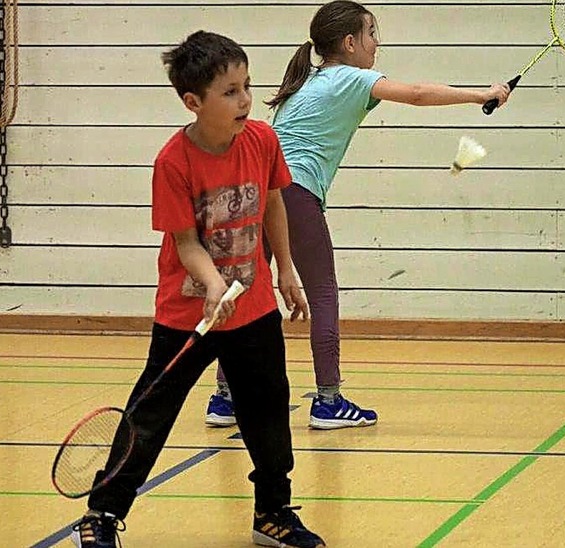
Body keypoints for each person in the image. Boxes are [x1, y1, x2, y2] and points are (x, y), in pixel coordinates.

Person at [71, 30, 325, 548]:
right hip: (189, 314)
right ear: (193, 102)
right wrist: (212, 282)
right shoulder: (173, 162)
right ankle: (101, 513)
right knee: (150, 414)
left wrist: (287, 270)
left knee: (269, 411)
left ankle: (273, 512)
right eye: (230, 91)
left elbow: (274, 203)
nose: (245, 99)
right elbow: (186, 243)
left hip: (252, 310)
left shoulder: (262, 140)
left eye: (247, 86)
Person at [206, 0, 511, 431]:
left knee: (249, 290)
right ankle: (328, 401)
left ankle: (225, 397)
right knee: (323, 291)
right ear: (350, 43)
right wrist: (483, 94)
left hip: (257, 194)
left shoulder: (310, 79)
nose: (377, 43)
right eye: (372, 33)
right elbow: (418, 94)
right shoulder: (349, 76)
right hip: (294, 193)